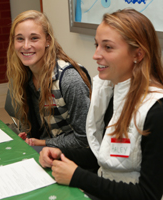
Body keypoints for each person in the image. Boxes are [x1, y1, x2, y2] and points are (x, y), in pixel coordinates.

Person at [39, 8, 163, 200]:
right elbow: (104, 154)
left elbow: (148, 195)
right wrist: (62, 152)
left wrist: (79, 177)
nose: (96, 55)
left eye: (108, 47)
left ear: (138, 54)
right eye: (97, 45)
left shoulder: (156, 110)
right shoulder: (109, 91)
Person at [6, 10, 92, 148]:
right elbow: (33, 127)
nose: (26, 46)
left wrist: (42, 143)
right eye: (20, 38)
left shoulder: (69, 79)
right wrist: (27, 136)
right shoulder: (22, 74)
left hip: (73, 157)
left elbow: (85, 138)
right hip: (43, 149)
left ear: (48, 41)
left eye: (34, 38)